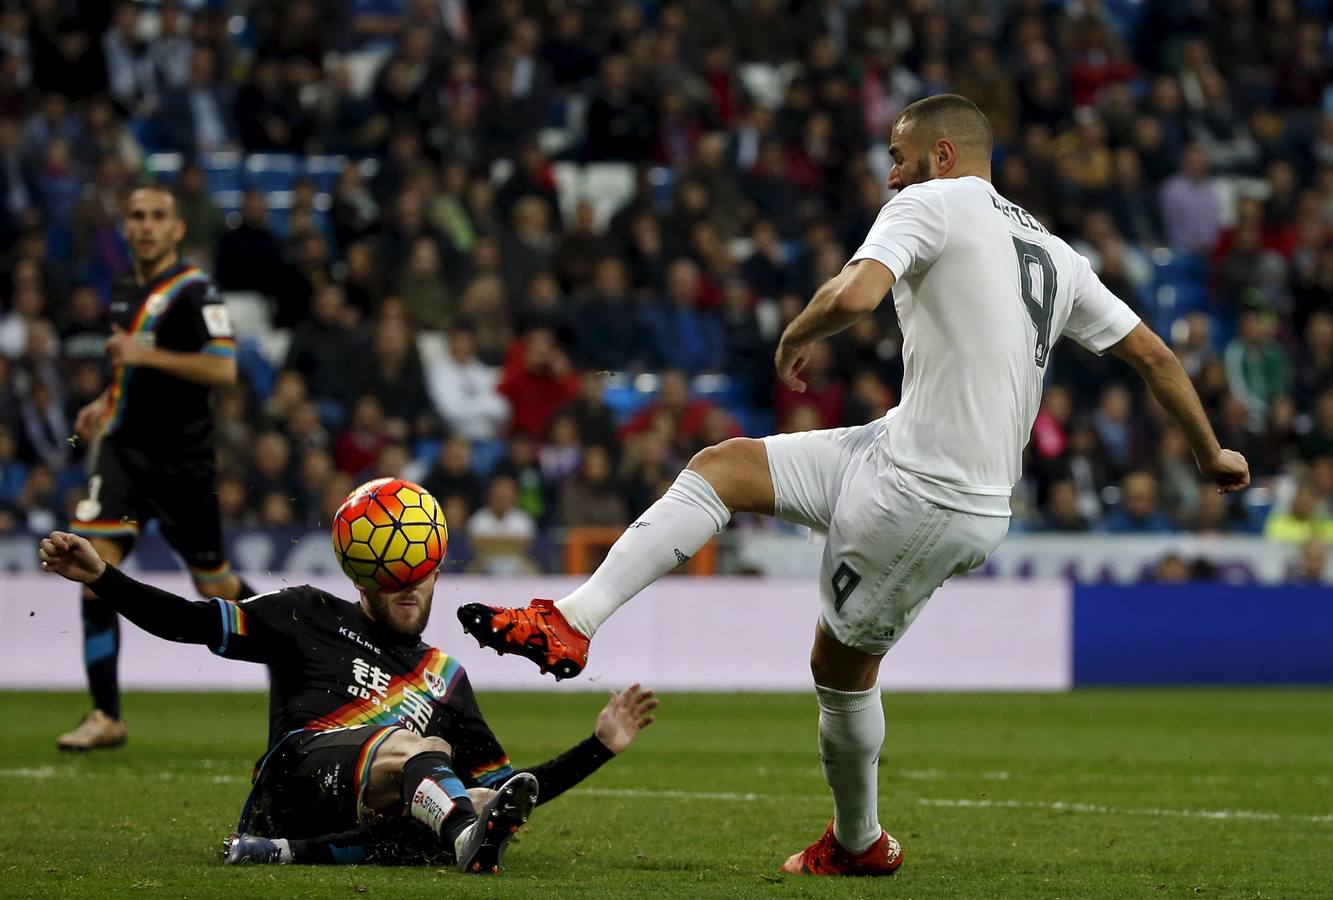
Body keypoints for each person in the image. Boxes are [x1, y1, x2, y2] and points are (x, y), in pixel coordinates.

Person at [458, 95, 1251, 877]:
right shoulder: (1051, 250)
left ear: (941, 156)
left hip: (929, 494)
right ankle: (569, 618)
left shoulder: (931, 203)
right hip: (894, 449)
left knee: (838, 669)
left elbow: (856, 293)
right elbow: (1151, 353)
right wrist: (1209, 449)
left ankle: (857, 841)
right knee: (721, 467)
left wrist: (800, 329)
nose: (889, 178)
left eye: (898, 158)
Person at [37, 529, 657, 872]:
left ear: (437, 575)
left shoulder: (446, 676)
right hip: (294, 779)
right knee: (424, 749)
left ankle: (296, 857)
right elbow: (191, 622)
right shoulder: (305, 611)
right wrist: (101, 576)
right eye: (392, 573)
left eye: (420, 572)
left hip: (369, 811)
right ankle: (456, 836)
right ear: (363, 574)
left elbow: (514, 792)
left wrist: (598, 747)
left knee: (486, 797)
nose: (408, 584)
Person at [61, 183, 254, 752]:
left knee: (213, 583)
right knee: (92, 571)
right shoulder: (125, 289)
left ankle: (296, 649)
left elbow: (223, 370)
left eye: (156, 217)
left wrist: (144, 356)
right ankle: (106, 715)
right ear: (126, 227)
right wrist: (106, 402)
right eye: (136, 215)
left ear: (175, 229)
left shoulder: (197, 291)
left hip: (183, 464)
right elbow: (133, 372)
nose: (145, 225)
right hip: (125, 454)